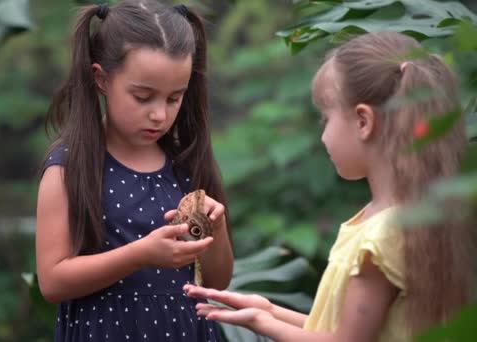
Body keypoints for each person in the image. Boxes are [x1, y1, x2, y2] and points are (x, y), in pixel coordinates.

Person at [184, 31, 475, 341]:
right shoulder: (401, 218)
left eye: (326, 118)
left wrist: (265, 325)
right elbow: (344, 330)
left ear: (364, 121)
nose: (323, 135)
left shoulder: (384, 236)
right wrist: (269, 311)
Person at [35, 1, 233, 341]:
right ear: (101, 79)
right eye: (143, 97)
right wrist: (140, 254)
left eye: (174, 98)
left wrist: (216, 227)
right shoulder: (69, 168)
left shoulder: (185, 163)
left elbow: (216, 281)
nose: (159, 114)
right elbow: (53, 281)